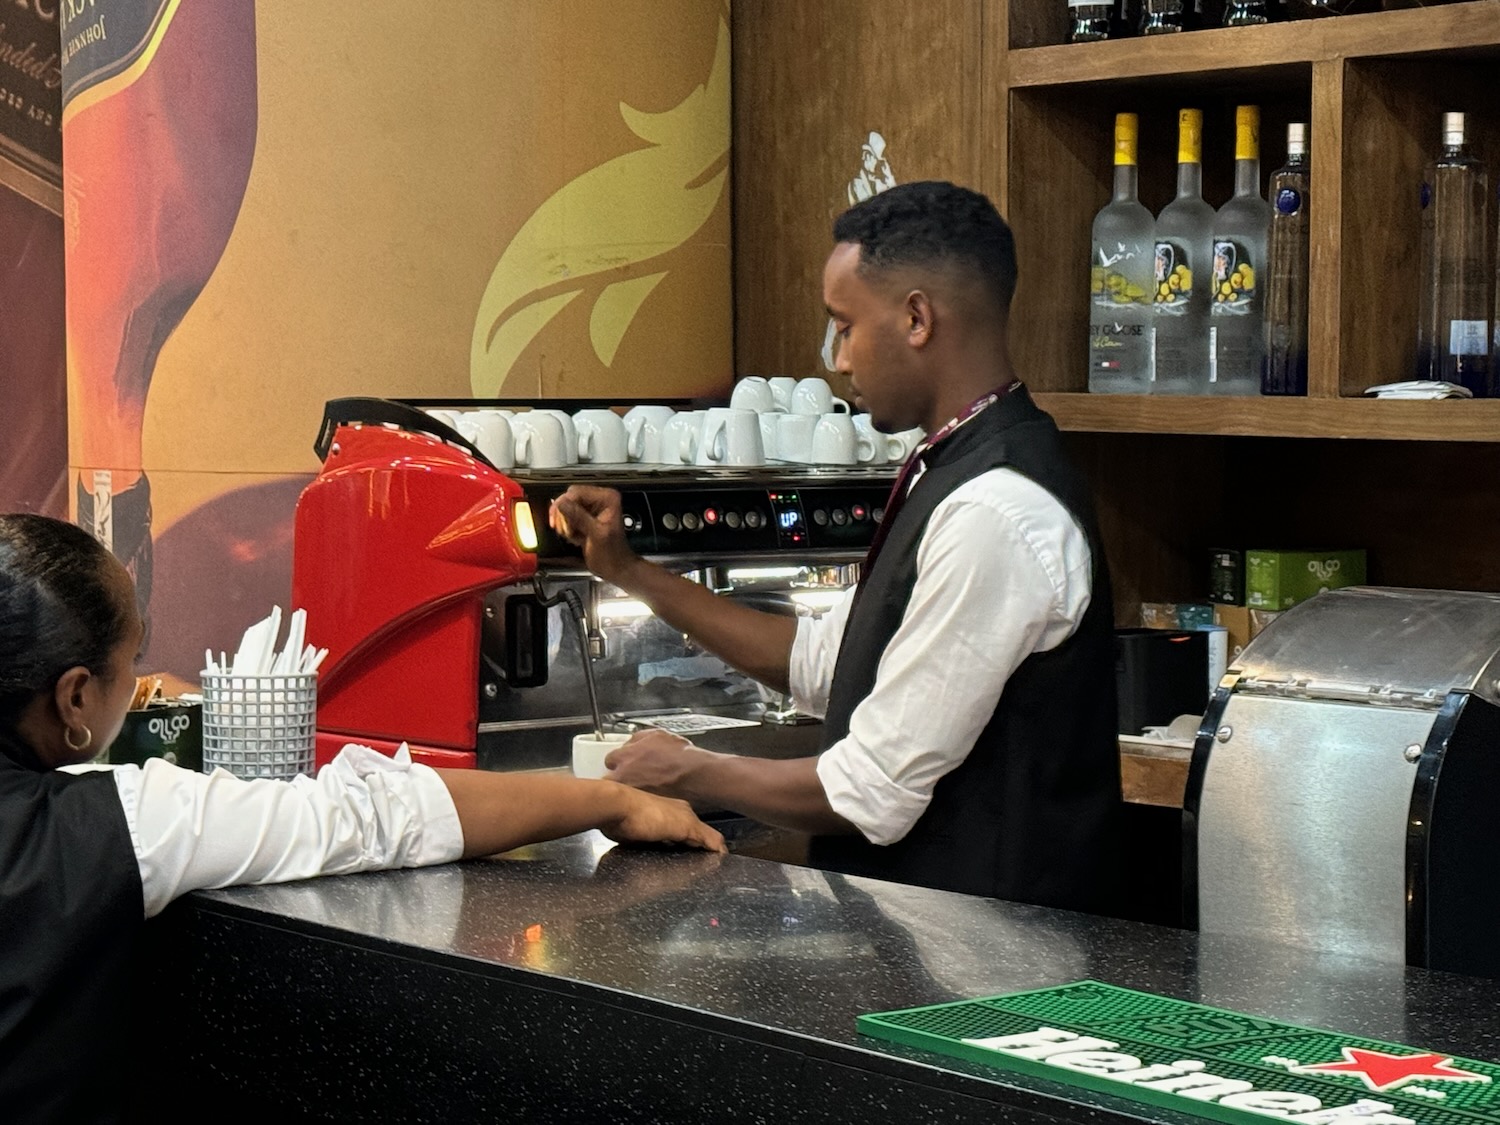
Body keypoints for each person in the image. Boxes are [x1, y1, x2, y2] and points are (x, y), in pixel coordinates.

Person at [0, 513, 723, 1122]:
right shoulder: (118, 821)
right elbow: (379, 813)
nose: (142, 683)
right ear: (74, 699)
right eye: (135, 659)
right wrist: (612, 796)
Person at [551, 180, 1122, 912]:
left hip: (999, 963)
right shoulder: (948, 468)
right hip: (938, 944)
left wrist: (689, 768)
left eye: (844, 325)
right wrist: (630, 569)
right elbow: (821, 661)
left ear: (917, 317)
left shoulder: (997, 510)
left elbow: (870, 791)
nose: (840, 359)